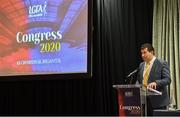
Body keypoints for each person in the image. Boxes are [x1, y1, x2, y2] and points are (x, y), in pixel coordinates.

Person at [137, 43, 171, 116]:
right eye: (141, 53)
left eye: (145, 52)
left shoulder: (162, 63)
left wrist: (156, 83)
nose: (142, 55)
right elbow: (139, 80)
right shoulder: (141, 65)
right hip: (144, 101)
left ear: (152, 52)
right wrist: (136, 87)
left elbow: (167, 79)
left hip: (159, 102)